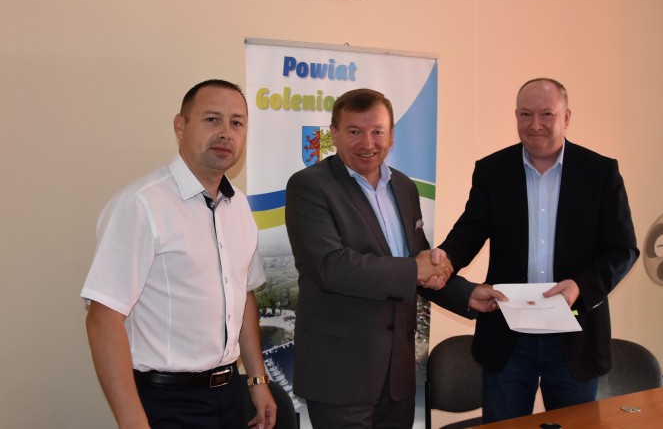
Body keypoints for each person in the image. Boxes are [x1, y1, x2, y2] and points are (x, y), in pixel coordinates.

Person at [284, 88, 504, 429]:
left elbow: (419, 264)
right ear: (334, 134)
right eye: (354, 131)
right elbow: (331, 267)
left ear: (391, 135)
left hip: (398, 377)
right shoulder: (309, 186)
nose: (367, 143)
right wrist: (416, 268)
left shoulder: (404, 187)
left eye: (377, 131)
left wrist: (468, 294)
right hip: (341, 376)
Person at [438, 78, 640, 423]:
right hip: (508, 337)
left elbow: (622, 250)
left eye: (547, 114)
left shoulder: (600, 172)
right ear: (515, 116)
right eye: (525, 114)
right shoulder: (492, 170)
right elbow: (469, 233)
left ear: (566, 117)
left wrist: (581, 286)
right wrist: (444, 260)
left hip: (575, 336)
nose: (535, 124)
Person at [81, 79, 277, 429]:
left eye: (236, 123)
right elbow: (103, 318)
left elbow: (244, 294)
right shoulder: (142, 204)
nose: (226, 133)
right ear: (180, 126)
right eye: (212, 119)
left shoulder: (240, 206)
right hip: (166, 402)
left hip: (231, 395)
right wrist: (133, 422)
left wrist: (257, 380)